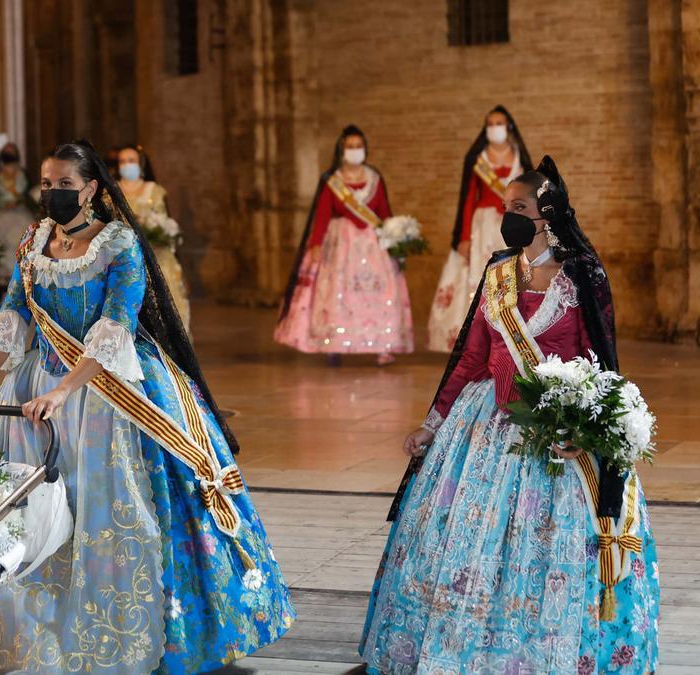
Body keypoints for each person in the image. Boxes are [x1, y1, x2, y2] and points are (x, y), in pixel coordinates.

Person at [0, 140, 294, 674]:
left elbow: (114, 328)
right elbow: (13, 314)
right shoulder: (32, 240)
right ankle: (41, 632)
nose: (53, 193)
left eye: (65, 184)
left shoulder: (119, 245)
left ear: (91, 188)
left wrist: (64, 390)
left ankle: (120, 631)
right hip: (35, 390)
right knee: (32, 514)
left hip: (106, 391)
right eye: (46, 184)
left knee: (109, 510)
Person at [360, 158, 660, 674]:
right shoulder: (498, 273)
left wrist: (586, 430)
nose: (508, 217)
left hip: (555, 436)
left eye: (518, 208)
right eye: (506, 209)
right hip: (484, 428)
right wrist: (432, 425)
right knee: (467, 540)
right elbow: (472, 357)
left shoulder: (581, 276)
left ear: (546, 214)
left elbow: (599, 361)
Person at [274, 125, 413, 366]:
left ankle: (383, 346)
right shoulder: (333, 181)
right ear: (342, 150)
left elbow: (384, 212)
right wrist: (316, 244)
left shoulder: (374, 179)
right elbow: (323, 215)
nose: (355, 151)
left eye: (359, 146)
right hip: (341, 246)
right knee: (338, 293)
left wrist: (395, 237)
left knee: (379, 294)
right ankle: (334, 344)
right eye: (350, 147)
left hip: (372, 245)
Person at [427, 105, 534, 352]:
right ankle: (477, 338)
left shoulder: (521, 157)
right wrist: (463, 237)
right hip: (483, 226)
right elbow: (467, 200)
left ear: (509, 127)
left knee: (513, 277)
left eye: (500, 122)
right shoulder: (477, 160)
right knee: (480, 278)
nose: (495, 127)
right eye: (490, 123)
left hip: (513, 225)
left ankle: (512, 333)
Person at [117, 144, 191, 331]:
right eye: (123, 161)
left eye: (131, 161)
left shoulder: (154, 190)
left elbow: (164, 223)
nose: (127, 165)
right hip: (123, 257)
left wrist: (156, 234)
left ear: (141, 164)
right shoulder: (113, 192)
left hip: (157, 255)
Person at [0, 142, 34, 286]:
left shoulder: (22, 175)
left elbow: (28, 194)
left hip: (19, 212)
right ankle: (2, 279)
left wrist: (18, 200)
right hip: (0, 213)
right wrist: (2, 203)